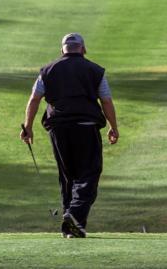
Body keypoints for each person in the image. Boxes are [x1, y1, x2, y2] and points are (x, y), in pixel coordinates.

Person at [21, 33, 119, 238]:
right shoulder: (95, 70)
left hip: (59, 129)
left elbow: (34, 99)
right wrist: (113, 127)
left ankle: (72, 227)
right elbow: (106, 101)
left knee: (68, 177)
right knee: (89, 174)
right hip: (86, 126)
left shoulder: (47, 70)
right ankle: (73, 216)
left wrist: (28, 127)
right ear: (83, 49)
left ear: (62, 50)